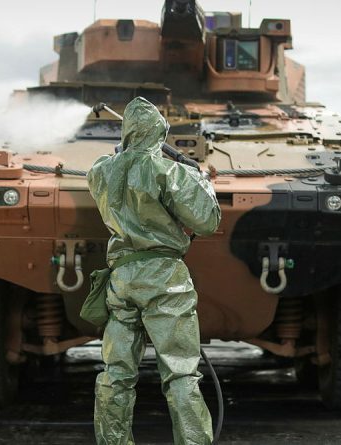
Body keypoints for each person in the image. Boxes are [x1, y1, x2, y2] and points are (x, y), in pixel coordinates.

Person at [87, 97, 220, 445]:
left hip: (120, 280)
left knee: (115, 373)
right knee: (179, 374)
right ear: (160, 132)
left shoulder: (102, 170)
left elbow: (110, 175)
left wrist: (122, 155)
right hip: (165, 281)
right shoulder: (170, 172)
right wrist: (202, 180)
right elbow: (207, 221)